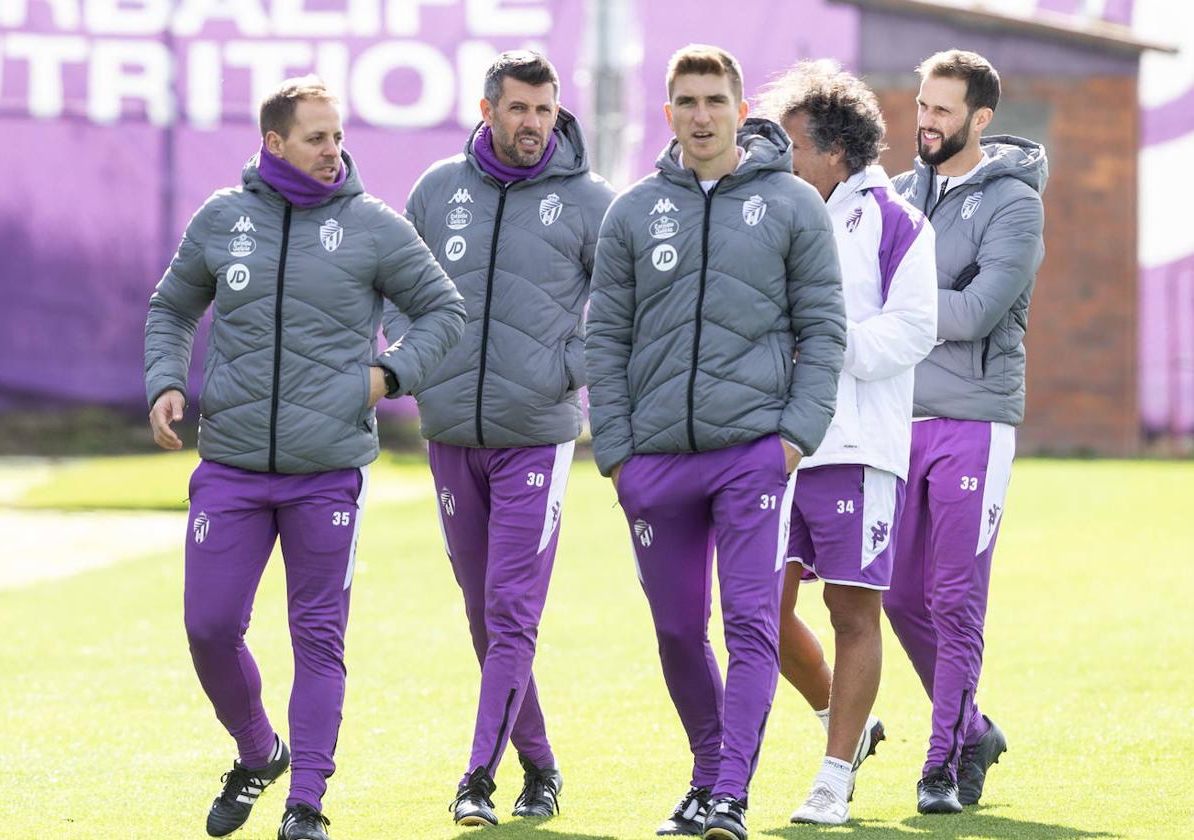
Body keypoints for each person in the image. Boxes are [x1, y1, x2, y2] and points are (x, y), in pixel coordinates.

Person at [144, 76, 464, 840]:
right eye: (317, 137)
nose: (334, 149)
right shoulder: (222, 220)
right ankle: (259, 755)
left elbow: (443, 310)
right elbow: (172, 305)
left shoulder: (374, 227)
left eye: (339, 135)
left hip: (329, 471)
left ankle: (307, 803)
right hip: (230, 467)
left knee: (318, 637)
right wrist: (164, 381)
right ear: (274, 142)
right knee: (208, 628)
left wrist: (390, 374)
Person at [586, 44, 846, 840]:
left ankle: (729, 793)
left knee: (750, 625)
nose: (702, 116)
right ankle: (706, 775)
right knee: (674, 630)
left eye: (715, 101)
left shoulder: (794, 204)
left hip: (752, 457)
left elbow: (824, 330)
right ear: (669, 114)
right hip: (654, 463)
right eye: (687, 102)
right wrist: (618, 455)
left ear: (741, 111)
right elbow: (604, 337)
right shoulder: (633, 211)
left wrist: (793, 438)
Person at [382, 50, 614, 827]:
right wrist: (414, 371)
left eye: (545, 110)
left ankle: (477, 777)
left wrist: (565, 372)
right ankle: (541, 766)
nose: (534, 124)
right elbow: (398, 296)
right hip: (449, 432)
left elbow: (624, 311)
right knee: (485, 617)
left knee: (511, 611)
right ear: (488, 110)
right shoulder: (436, 190)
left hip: (538, 435)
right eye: (520, 109)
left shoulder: (589, 202)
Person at [754, 60, 938, 825]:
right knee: (756, 610)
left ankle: (832, 777)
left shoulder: (897, 222)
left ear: (833, 151)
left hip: (858, 447)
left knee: (852, 613)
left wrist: (826, 347)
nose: (777, 158)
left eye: (790, 145)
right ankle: (850, 724)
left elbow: (914, 329)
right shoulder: (765, 215)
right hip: (772, 449)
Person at [883, 49, 1047, 814]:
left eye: (943, 109)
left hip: (975, 422)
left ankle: (942, 764)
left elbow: (981, 311)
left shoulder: (1014, 202)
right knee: (896, 597)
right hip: (897, 419)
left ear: (980, 119)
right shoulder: (894, 195)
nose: (926, 119)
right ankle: (975, 729)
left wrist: (902, 316)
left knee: (954, 599)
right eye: (922, 104)